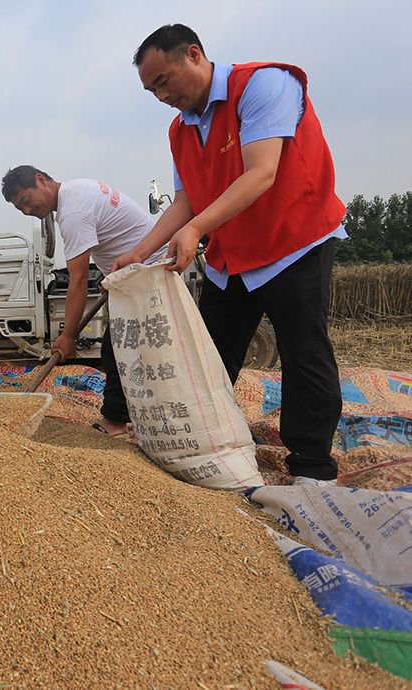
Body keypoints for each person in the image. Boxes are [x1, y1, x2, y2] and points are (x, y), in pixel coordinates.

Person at [115, 24, 347, 486]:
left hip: (292, 243)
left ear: (194, 55)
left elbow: (261, 173)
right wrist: (138, 253)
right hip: (233, 255)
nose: (160, 95)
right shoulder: (180, 131)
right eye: (150, 89)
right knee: (209, 354)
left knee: (304, 353)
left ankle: (311, 466)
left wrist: (197, 229)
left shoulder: (262, 85)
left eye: (163, 81)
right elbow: (185, 202)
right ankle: (206, 448)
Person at [2, 166, 167, 437]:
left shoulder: (73, 212)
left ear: (41, 181)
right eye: (20, 209)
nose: (27, 211)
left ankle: (115, 422)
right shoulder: (77, 190)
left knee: (118, 351)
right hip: (133, 276)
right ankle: (136, 415)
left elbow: (77, 280)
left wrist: (68, 336)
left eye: (26, 201)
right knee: (125, 350)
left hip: (146, 275)